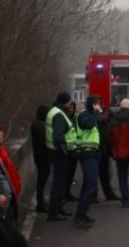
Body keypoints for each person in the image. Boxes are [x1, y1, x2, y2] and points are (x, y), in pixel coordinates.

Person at [46, 91, 78, 221]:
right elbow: (58, 137)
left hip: (56, 152)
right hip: (60, 153)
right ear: (65, 101)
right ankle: (54, 213)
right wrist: (65, 149)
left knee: (59, 183)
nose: (71, 103)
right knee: (58, 184)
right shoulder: (58, 115)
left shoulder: (54, 111)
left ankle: (58, 209)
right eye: (69, 101)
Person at [73, 95, 102, 229]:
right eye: (96, 104)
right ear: (91, 104)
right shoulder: (84, 116)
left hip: (92, 153)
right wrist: (96, 113)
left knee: (88, 184)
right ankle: (79, 215)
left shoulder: (91, 115)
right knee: (91, 184)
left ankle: (82, 213)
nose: (98, 106)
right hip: (86, 153)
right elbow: (89, 125)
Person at [96, 106, 120, 201]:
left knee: (105, 174)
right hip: (98, 150)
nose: (106, 116)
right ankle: (94, 195)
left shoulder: (107, 121)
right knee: (96, 174)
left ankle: (108, 194)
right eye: (104, 114)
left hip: (104, 149)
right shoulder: (97, 122)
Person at [30, 105, 51, 212]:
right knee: (42, 181)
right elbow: (45, 141)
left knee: (41, 180)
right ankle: (40, 204)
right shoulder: (40, 126)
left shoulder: (37, 124)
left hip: (40, 155)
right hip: (42, 156)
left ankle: (41, 202)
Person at [64, 99, 79, 202]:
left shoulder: (74, 119)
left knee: (71, 174)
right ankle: (64, 194)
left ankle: (67, 192)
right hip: (66, 150)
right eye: (70, 107)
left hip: (74, 149)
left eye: (73, 108)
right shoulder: (64, 119)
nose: (71, 109)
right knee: (66, 174)